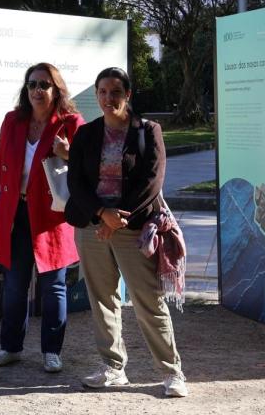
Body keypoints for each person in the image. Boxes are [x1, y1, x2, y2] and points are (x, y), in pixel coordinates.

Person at [65, 67, 188, 398]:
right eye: (102, 92)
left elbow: (153, 180)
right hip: (93, 226)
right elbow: (74, 182)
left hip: (131, 227)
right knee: (102, 298)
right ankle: (113, 367)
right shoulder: (86, 134)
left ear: (128, 95)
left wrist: (119, 218)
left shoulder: (148, 130)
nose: (108, 98)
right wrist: (101, 214)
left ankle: (172, 372)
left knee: (149, 299)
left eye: (115, 92)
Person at [0, 63, 83, 373]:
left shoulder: (70, 123)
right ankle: (11, 347)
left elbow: (89, 167)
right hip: (16, 214)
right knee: (14, 285)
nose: (37, 90)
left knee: (53, 286)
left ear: (56, 90)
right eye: (32, 84)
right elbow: (1, 161)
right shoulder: (13, 121)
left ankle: (51, 351)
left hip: (51, 217)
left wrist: (69, 153)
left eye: (44, 84)